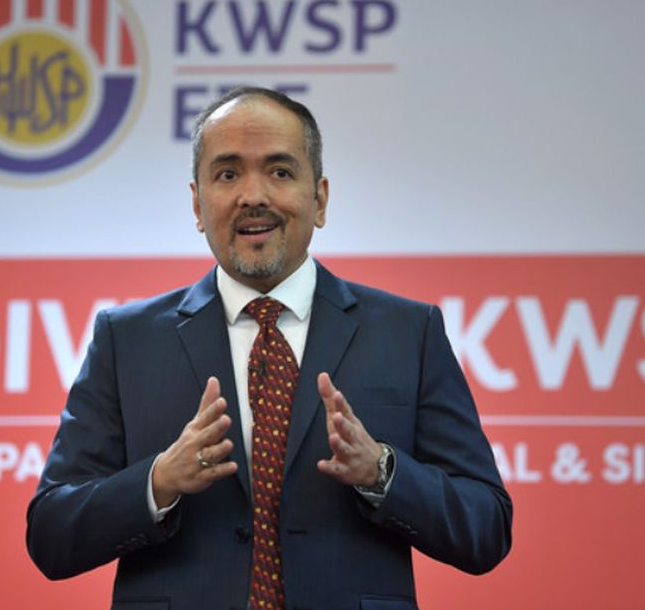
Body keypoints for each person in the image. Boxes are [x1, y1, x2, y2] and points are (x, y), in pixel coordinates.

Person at [26, 87, 512, 610]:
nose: (253, 195)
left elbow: (485, 526)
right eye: (228, 173)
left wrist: (382, 472)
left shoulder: (408, 333)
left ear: (320, 198)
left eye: (280, 172)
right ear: (197, 203)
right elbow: (52, 533)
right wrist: (159, 481)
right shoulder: (127, 339)